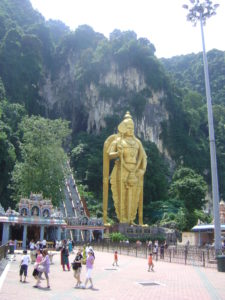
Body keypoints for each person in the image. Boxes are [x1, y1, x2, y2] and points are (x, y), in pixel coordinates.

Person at [103, 111, 147, 225]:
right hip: (121, 169)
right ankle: (122, 219)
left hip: (135, 171)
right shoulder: (118, 140)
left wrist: (141, 170)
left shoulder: (138, 142)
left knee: (134, 196)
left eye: (132, 127)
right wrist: (118, 153)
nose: (131, 130)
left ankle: (132, 219)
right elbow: (109, 154)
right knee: (121, 195)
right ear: (123, 128)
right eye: (128, 127)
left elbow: (143, 157)